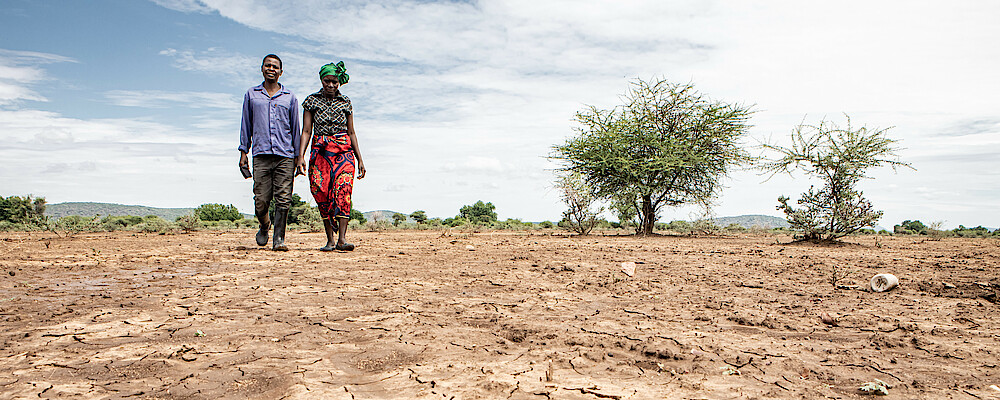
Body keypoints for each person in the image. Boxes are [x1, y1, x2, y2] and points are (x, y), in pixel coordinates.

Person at [297, 61, 366, 251]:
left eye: (335, 82)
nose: (331, 85)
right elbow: (306, 130)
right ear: (321, 80)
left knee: (343, 191)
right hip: (320, 151)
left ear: (339, 82)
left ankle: (342, 239)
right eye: (327, 81)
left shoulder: (346, 102)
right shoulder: (311, 101)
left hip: (344, 151)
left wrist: (360, 159)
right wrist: (300, 156)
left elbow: (352, 132)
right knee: (322, 192)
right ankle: (330, 240)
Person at [238, 54, 301, 251]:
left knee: (284, 198)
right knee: (261, 200)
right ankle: (265, 225)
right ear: (262, 69)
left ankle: (279, 239)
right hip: (260, 154)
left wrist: (299, 157)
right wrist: (243, 152)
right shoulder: (252, 95)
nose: (271, 69)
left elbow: (296, 128)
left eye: (275, 66)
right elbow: (245, 125)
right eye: (268, 65)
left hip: (285, 155)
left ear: (281, 72)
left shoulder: (289, 97)